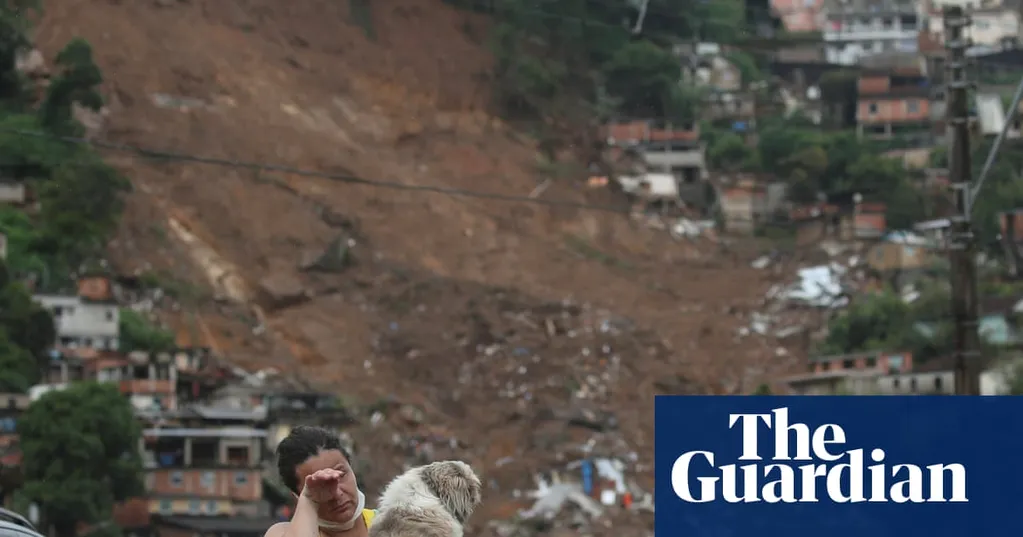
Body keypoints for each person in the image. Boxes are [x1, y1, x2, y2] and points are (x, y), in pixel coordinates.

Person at [265, 426, 375, 537]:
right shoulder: (283, 533)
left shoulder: (387, 523)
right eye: (320, 485)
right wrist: (310, 499)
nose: (337, 493)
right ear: (297, 495)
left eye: (341, 475)